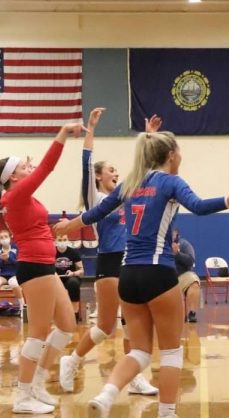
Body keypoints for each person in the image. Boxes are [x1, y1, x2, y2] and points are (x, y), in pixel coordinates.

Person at [54, 127, 229, 418]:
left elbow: (96, 212)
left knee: (140, 351)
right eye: (179, 151)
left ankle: (105, 396)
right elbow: (199, 206)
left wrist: (70, 225)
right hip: (157, 272)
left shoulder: (130, 183)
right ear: (171, 155)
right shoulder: (170, 182)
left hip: (126, 275)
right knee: (170, 353)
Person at [58, 108, 158, 396]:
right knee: (104, 327)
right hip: (110, 261)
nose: (116, 173)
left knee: (132, 323)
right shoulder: (96, 198)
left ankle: (135, 378)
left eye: (116, 169)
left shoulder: (125, 194)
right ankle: (72, 360)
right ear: (100, 177)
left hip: (132, 262)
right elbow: (86, 163)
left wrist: (149, 138)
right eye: (111, 169)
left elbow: (145, 173)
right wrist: (90, 128)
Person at [0, 121, 87, 415]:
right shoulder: (14, 196)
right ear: (12, 177)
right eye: (22, 167)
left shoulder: (21, 195)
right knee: (39, 332)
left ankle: (38, 383)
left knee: (68, 325)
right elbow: (46, 168)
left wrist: (24, 169)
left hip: (44, 266)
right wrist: (62, 134)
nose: (28, 168)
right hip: (33, 267)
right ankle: (22, 396)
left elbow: (35, 173)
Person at [0, 229, 24, 319]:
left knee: (13, 282)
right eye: (1, 237)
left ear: (10, 238)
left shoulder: (16, 248)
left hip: (15, 274)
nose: (4, 239)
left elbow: (18, 264)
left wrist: (9, 258)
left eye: (6, 236)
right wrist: (2, 260)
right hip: (3, 275)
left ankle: (22, 306)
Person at [172, 228, 200, 323]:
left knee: (194, 282)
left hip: (181, 275)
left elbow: (190, 261)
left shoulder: (184, 244)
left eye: (172, 232)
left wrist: (178, 254)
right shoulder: (158, 245)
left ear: (177, 234)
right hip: (164, 276)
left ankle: (192, 313)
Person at [54, 234, 84, 319]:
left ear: (68, 240)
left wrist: (73, 273)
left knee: (73, 283)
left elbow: (82, 271)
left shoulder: (73, 252)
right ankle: (53, 314)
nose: (62, 242)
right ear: (56, 241)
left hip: (70, 278)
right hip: (56, 279)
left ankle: (75, 313)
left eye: (64, 240)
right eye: (60, 240)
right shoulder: (52, 252)